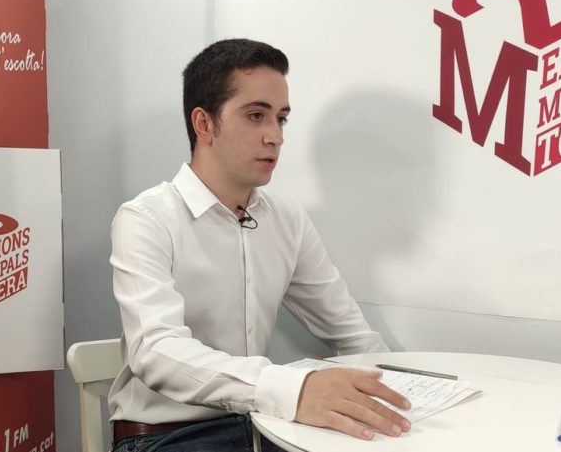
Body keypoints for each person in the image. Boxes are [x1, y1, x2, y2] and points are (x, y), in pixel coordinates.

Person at [107, 38, 412, 452]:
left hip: (264, 424)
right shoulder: (147, 218)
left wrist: (398, 395)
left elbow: (351, 332)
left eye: (281, 119)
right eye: (256, 116)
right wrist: (292, 389)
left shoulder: (287, 219)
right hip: (168, 435)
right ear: (204, 124)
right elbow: (156, 352)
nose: (275, 136)